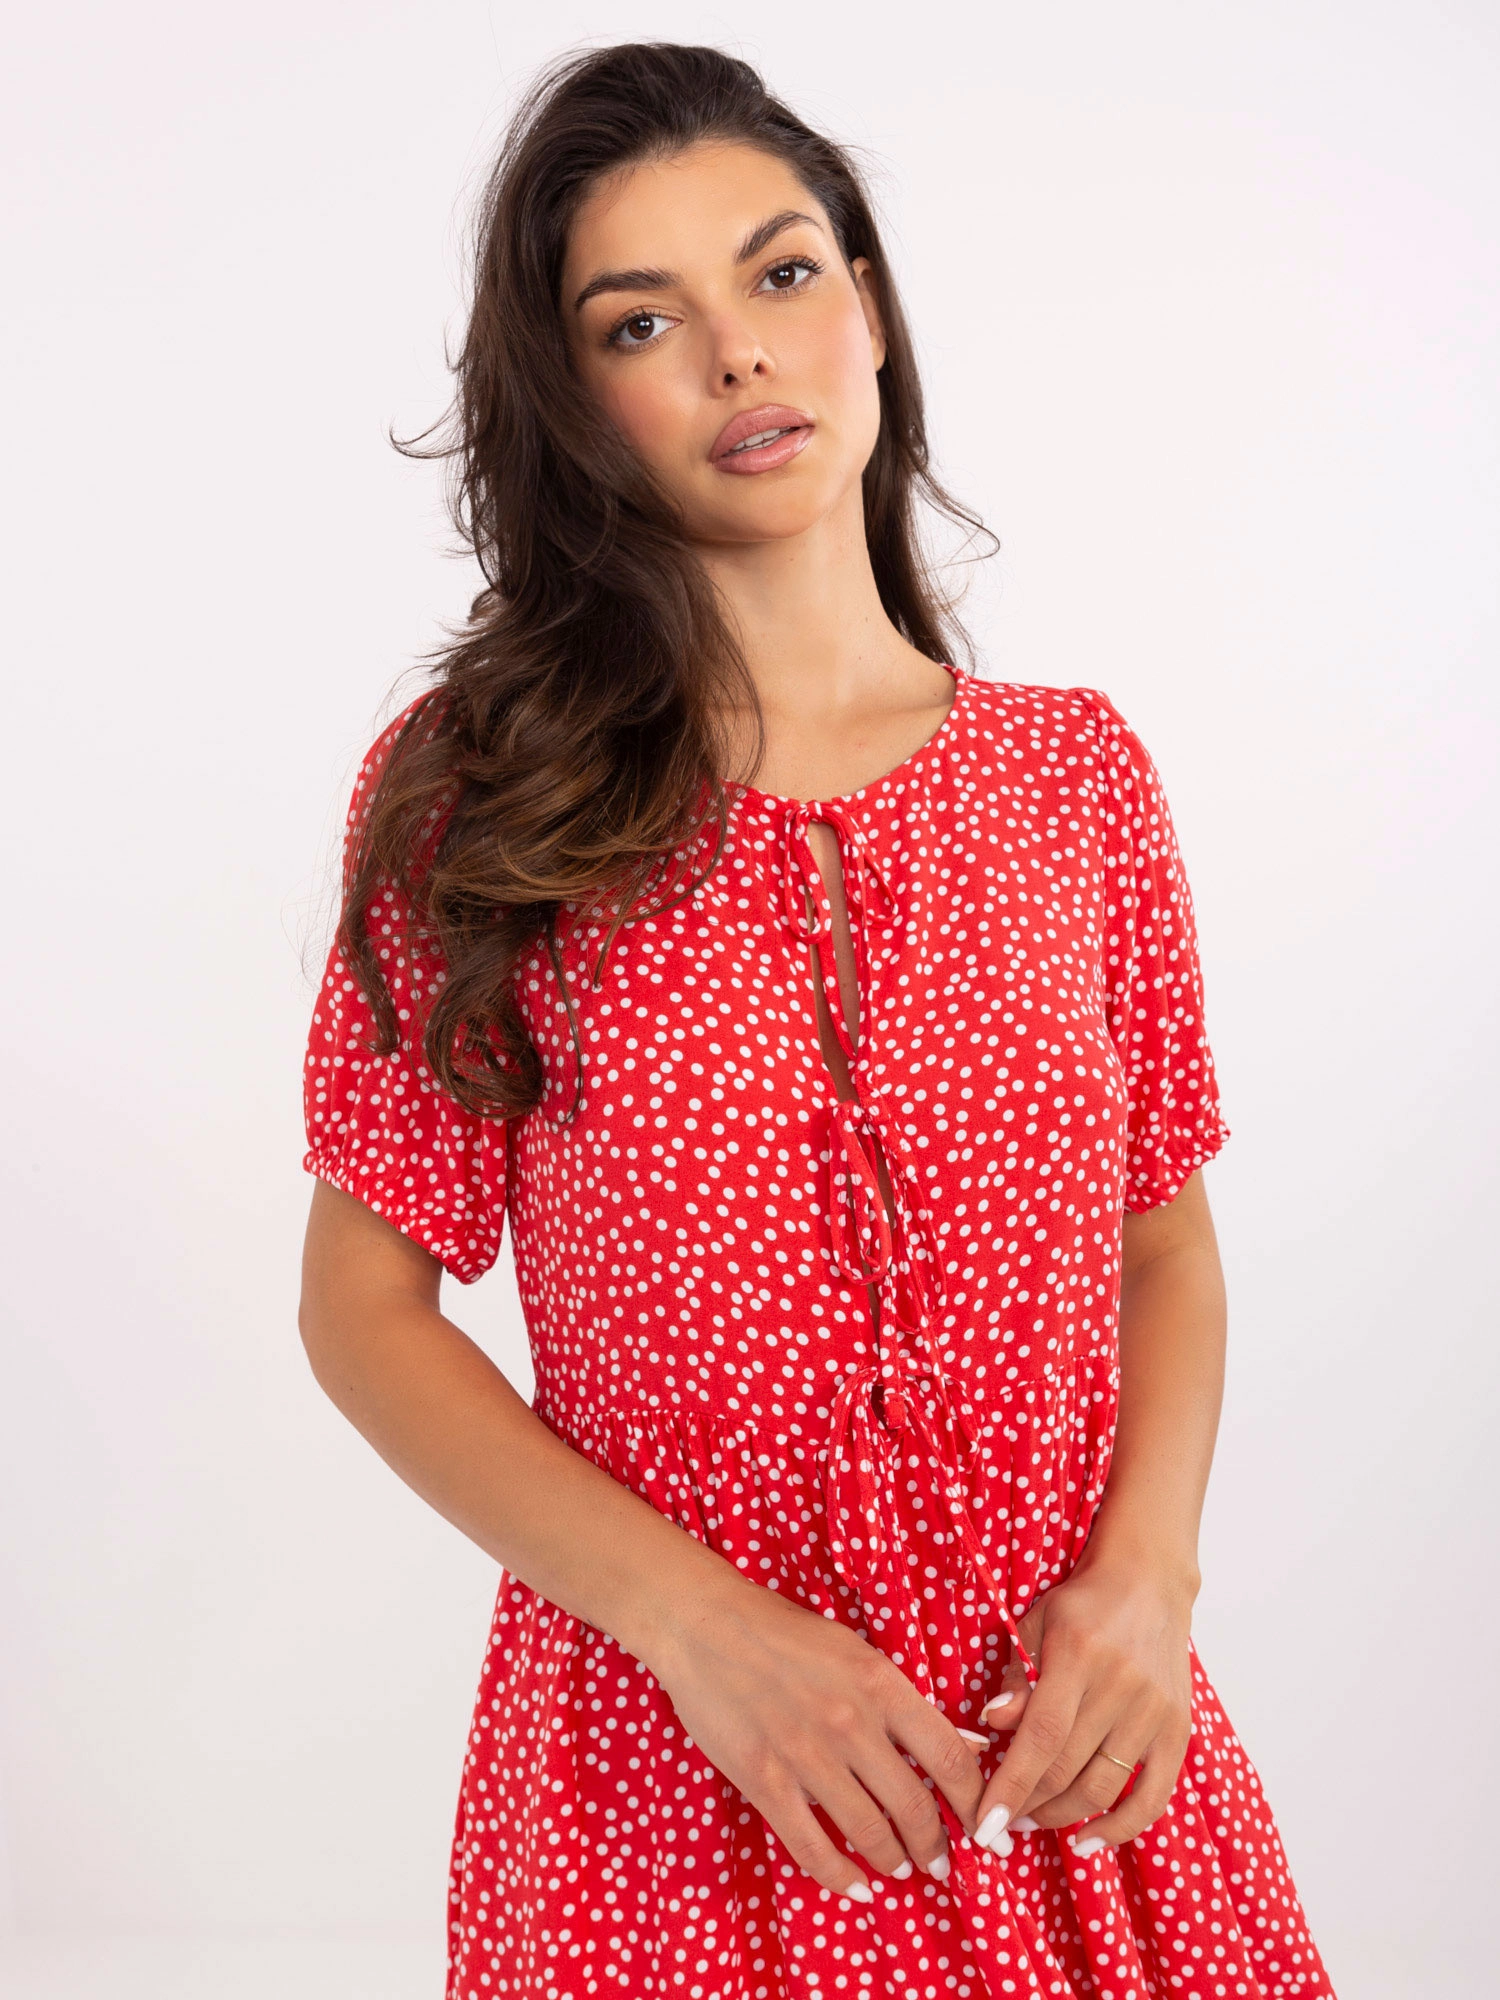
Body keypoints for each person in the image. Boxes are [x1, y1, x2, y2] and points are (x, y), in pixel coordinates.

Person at [297, 41, 1336, 2000]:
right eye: (641, 320)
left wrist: (1151, 1578)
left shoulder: (1076, 780)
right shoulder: (477, 798)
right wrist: (699, 1631)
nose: (739, 353)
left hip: (1073, 1771)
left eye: (780, 272)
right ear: (573, 400)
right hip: (669, 1793)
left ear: (866, 303)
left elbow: (1163, 1243)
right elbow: (363, 1308)